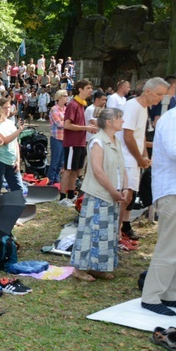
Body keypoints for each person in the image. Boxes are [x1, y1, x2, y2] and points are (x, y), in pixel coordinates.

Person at [69, 108, 128, 281]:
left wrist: (124, 188)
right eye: (119, 118)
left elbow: (121, 167)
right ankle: (79, 269)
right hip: (99, 194)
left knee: (107, 232)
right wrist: (113, 191)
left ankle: (98, 266)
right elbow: (97, 171)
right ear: (109, 122)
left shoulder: (116, 141)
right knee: (90, 231)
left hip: (112, 194)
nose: (122, 121)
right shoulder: (98, 141)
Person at [115, 77, 170, 242]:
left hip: (133, 159)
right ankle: (115, 233)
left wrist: (145, 156)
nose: (160, 98)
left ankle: (119, 231)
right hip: (126, 158)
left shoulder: (143, 108)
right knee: (124, 198)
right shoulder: (132, 106)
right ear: (148, 91)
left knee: (128, 198)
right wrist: (140, 159)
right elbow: (128, 137)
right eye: (159, 94)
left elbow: (140, 136)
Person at [140, 95, 176, 315]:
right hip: (173, 190)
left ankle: (171, 293)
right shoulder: (175, 118)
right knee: (170, 246)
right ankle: (152, 295)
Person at [61, 80, 99, 205]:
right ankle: (62, 198)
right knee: (68, 169)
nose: (90, 90)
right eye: (88, 88)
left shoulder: (82, 105)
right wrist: (86, 128)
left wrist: (89, 125)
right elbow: (67, 125)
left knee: (76, 170)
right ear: (80, 90)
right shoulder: (73, 105)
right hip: (72, 142)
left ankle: (71, 195)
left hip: (80, 142)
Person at [0, 97, 25, 194]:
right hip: (0, 159)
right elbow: (4, 141)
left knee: (19, 189)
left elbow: (15, 143)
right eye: (5, 108)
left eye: (9, 107)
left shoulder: (11, 123)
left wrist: (18, 160)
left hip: (12, 160)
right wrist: (19, 130)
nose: (7, 110)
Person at [48, 90, 68, 187]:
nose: (67, 97)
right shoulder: (54, 109)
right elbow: (59, 123)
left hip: (65, 138)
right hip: (56, 138)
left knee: (61, 162)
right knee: (55, 161)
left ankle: (56, 180)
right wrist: (68, 124)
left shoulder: (66, 109)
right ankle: (50, 181)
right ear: (59, 97)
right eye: (65, 96)